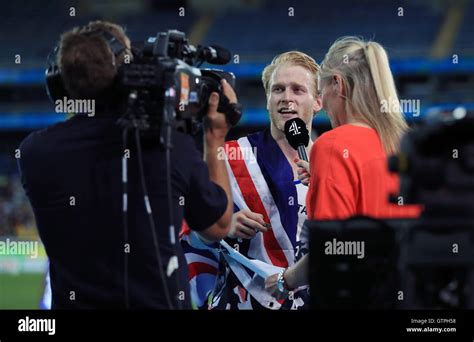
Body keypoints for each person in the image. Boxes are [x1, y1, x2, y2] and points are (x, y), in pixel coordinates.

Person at [18, 20, 235, 309]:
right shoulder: (167, 145)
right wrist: (215, 137)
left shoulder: (34, 153)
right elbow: (218, 225)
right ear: (125, 75)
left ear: (60, 83)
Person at [265, 36, 422, 296]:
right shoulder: (402, 143)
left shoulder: (333, 145)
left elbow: (331, 248)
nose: (323, 104)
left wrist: (286, 280)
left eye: (321, 90)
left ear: (337, 84)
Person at [181, 51, 321, 309]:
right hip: (243, 300)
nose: (286, 98)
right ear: (268, 100)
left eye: (298, 90)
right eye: (278, 89)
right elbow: (192, 231)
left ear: (318, 102)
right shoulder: (231, 155)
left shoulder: (334, 162)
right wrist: (225, 224)